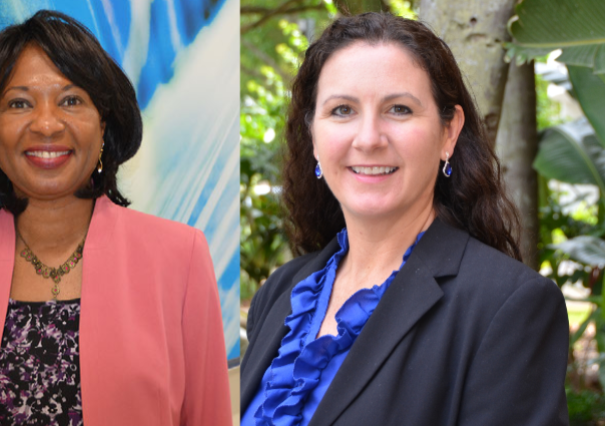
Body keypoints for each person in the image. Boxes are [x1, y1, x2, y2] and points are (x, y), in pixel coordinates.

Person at [0, 10, 231, 426]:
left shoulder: (182, 256)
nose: (47, 124)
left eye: (71, 100)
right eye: (19, 103)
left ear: (102, 124)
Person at [239, 12, 568, 426]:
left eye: (398, 109)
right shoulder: (281, 293)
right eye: (342, 110)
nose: (369, 138)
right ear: (314, 138)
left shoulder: (507, 307)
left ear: (448, 133)